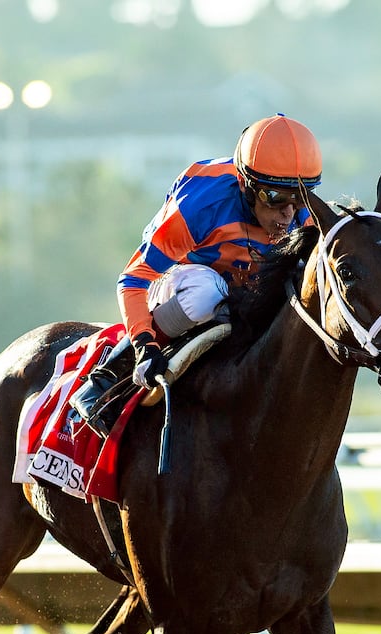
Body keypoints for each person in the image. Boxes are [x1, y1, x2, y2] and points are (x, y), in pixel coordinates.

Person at [71, 113, 323, 429]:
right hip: (182, 283)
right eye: (275, 198)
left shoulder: (303, 214)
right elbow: (133, 279)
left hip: (245, 291)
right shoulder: (201, 205)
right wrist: (145, 347)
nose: (288, 212)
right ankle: (105, 378)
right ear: (246, 185)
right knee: (207, 292)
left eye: (301, 196)